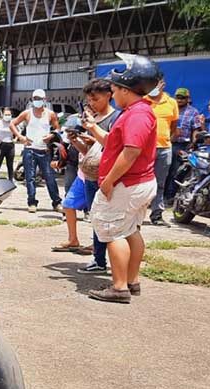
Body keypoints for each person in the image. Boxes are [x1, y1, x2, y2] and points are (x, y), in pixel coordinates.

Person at [88, 52, 160, 304]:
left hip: (126, 184)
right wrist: (93, 130)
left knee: (112, 230)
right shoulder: (135, 112)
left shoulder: (138, 114)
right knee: (130, 230)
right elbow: (114, 143)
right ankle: (131, 281)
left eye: (115, 90)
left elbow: (131, 152)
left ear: (126, 90)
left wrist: (108, 180)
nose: (114, 94)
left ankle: (119, 287)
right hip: (136, 183)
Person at [69, 79, 121, 273]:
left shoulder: (116, 118)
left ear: (109, 95)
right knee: (96, 219)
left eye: (95, 99)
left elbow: (112, 146)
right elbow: (90, 151)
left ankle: (113, 263)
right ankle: (98, 259)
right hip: (90, 175)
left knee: (110, 220)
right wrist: (75, 142)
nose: (91, 103)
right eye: (89, 100)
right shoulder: (92, 119)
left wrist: (93, 132)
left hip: (108, 177)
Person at [10, 88, 63, 213]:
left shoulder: (50, 114)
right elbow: (12, 124)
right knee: (30, 177)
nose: (37, 101)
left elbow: (58, 129)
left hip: (45, 151)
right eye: (35, 99)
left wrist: (51, 136)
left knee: (50, 177)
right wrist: (21, 137)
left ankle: (56, 202)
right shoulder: (27, 113)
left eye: (40, 99)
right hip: (30, 150)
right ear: (32, 99)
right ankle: (32, 202)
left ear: (45, 100)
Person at [146, 78, 178, 226]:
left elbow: (173, 125)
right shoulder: (144, 101)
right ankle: (135, 213)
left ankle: (157, 215)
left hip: (164, 148)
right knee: (141, 181)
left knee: (160, 183)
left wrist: (165, 140)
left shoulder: (171, 102)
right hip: (145, 149)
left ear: (163, 84)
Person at [166, 87, 201, 202]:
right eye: (178, 97)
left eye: (183, 98)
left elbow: (196, 129)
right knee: (165, 170)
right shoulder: (169, 109)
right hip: (167, 143)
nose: (180, 100)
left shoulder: (193, 112)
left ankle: (171, 197)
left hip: (183, 145)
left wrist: (193, 143)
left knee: (177, 171)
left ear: (187, 99)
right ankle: (163, 195)